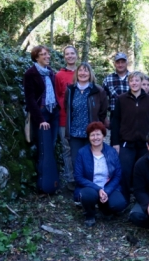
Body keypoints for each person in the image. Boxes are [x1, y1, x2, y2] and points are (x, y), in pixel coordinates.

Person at [111, 72, 149, 202]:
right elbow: (115, 122)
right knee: (125, 173)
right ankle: (124, 200)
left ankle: (143, 201)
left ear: (141, 82)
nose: (134, 83)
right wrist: (115, 143)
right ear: (129, 83)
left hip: (145, 144)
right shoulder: (121, 99)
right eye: (131, 81)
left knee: (144, 173)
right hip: (127, 143)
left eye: (137, 80)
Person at [73, 122, 127, 227]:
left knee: (119, 204)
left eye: (98, 134)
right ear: (89, 137)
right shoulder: (82, 153)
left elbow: (117, 175)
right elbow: (78, 177)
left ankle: (104, 208)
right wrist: (98, 189)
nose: (95, 137)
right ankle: (90, 214)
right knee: (88, 196)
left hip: (108, 187)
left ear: (103, 135)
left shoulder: (111, 152)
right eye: (92, 135)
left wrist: (106, 191)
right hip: (90, 187)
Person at [23, 45, 60, 194]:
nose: (47, 56)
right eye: (43, 54)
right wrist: (40, 120)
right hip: (42, 114)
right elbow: (30, 100)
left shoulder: (50, 72)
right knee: (43, 149)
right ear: (36, 57)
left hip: (54, 112)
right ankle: (43, 183)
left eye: (47, 53)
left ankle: (52, 180)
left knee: (51, 146)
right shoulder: (30, 74)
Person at [64, 62, 109, 172]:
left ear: (90, 73)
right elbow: (67, 108)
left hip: (92, 133)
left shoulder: (98, 91)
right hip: (75, 132)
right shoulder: (70, 90)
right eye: (80, 70)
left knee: (92, 160)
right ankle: (79, 186)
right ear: (76, 73)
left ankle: (92, 186)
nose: (83, 73)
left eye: (86, 70)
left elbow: (103, 111)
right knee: (76, 160)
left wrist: (98, 126)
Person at [55, 45, 78, 189]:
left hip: (81, 118)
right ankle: (70, 179)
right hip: (64, 118)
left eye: (72, 53)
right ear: (64, 57)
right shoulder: (59, 75)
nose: (69, 56)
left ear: (76, 55)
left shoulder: (83, 72)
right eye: (67, 54)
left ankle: (83, 176)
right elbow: (58, 95)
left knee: (82, 147)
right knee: (67, 148)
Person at [103, 52, 130, 122]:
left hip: (132, 114)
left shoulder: (133, 78)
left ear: (127, 63)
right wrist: (105, 117)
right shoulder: (108, 79)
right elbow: (103, 100)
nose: (120, 65)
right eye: (118, 62)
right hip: (115, 115)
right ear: (114, 64)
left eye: (123, 62)